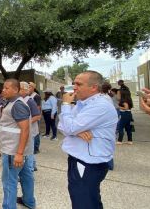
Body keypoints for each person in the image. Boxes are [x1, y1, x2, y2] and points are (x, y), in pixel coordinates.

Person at [58, 71, 118, 209]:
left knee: (83, 202)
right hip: (80, 159)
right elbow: (62, 126)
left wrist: (66, 105)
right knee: (89, 200)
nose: (74, 87)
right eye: (74, 83)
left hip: (88, 163)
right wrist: (76, 132)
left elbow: (70, 127)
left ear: (94, 87)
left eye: (78, 84)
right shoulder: (83, 104)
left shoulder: (100, 105)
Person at [0, 79, 31, 209]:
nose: (3, 90)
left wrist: (19, 153)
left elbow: (25, 129)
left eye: (6, 88)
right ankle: (29, 201)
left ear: (16, 90)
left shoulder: (17, 105)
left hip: (13, 151)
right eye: (3, 88)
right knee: (26, 176)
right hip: (19, 149)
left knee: (9, 182)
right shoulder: (12, 103)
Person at [16, 81, 39, 208]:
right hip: (24, 134)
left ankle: (29, 200)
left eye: (18, 89)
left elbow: (37, 116)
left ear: (24, 90)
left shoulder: (29, 101)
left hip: (29, 135)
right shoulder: (20, 100)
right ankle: (28, 199)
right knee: (26, 167)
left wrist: (25, 123)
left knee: (28, 167)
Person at [28, 82, 42, 155]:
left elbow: (38, 107)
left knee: (36, 132)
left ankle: (36, 148)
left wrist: (36, 117)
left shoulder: (36, 96)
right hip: (30, 116)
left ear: (33, 88)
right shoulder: (28, 96)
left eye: (30, 86)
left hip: (35, 116)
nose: (28, 88)